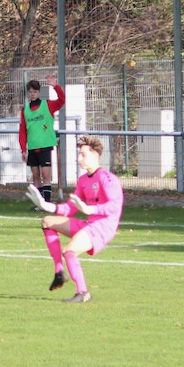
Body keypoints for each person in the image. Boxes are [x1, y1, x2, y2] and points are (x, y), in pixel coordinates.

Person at [27, 134, 124, 303]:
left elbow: (114, 206)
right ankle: (59, 272)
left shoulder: (107, 178)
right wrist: (47, 206)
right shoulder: (83, 180)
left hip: (102, 227)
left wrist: (89, 209)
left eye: (83, 155)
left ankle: (83, 292)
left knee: (69, 250)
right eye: (79, 154)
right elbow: (70, 208)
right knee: (47, 222)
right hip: (90, 224)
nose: (79, 159)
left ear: (95, 155)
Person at [20, 75, 65, 207]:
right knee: (35, 175)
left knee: (45, 174)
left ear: (39, 92)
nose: (32, 94)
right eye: (30, 92)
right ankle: (39, 204)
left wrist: (55, 86)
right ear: (28, 93)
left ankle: (47, 202)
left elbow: (62, 100)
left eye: (35, 91)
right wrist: (23, 149)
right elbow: (22, 131)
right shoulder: (25, 111)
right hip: (32, 147)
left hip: (45, 146)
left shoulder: (47, 105)